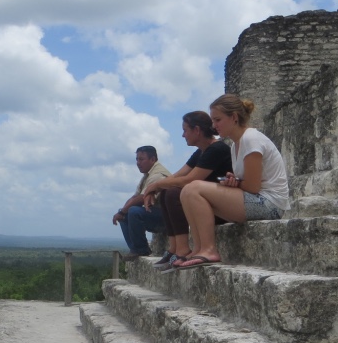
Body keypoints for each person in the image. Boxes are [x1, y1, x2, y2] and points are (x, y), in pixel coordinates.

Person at [175, 94, 290, 268]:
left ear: (234, 118)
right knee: (186, 192)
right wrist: (234, 180)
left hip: (270, 204)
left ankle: (209, 249)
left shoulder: (251, 139)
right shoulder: (237, 144)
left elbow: (252, 186)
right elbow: (249, 182)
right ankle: (198, 249)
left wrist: (236, 183)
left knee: (193, 188)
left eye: (218, 120)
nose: (214, 126)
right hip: (257, 199)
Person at [142, 111, 232, 270]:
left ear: (197, 130)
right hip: (204, 207)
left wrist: (155, 185)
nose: (183, 135)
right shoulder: (201, 151)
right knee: (167, 191)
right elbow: (177, 176)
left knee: (172, 192)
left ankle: (183, 249)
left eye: (185, 130)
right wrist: (153, 189)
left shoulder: (217, 149)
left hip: (218, 209)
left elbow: (189, 180)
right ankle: (174, 248)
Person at [112, 146, 170, 259]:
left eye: (141, 159)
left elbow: (141, 199)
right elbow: (135, 196)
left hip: (168, 217)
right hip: (158, 213)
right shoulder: (147, 175)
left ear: (152, 159)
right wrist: (122, 212)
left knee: (133, 211)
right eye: (137, 159)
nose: (138, 163)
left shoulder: (158, 175)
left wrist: (123, 212)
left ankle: (141, 250)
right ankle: (135, 249)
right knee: (127, 213)